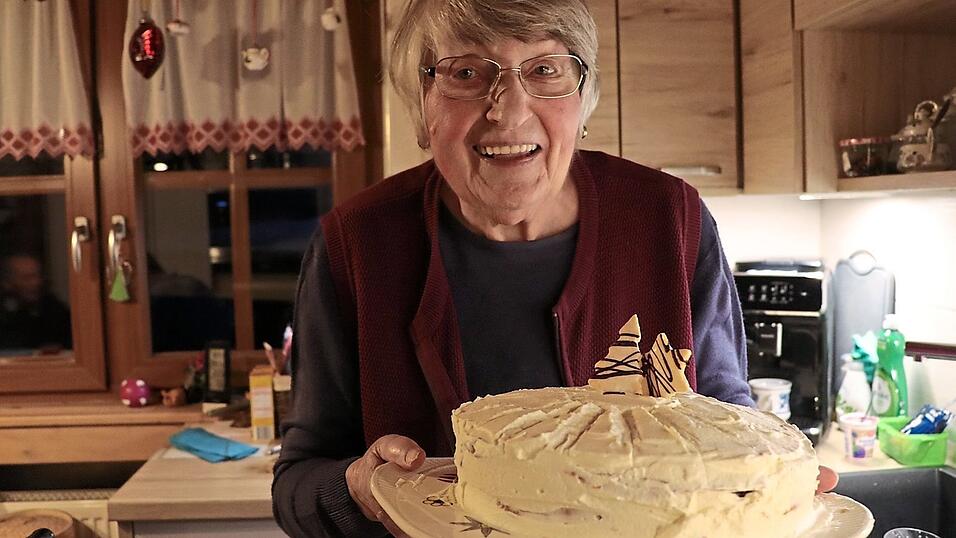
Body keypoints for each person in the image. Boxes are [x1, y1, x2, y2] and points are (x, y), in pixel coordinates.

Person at [272, 2, 837, 536]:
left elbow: (728, 425)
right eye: (466, 73)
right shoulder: (356, 244)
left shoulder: (671, 220)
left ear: (584, 98)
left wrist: (768, 488)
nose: (510, 110)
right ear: (422, 107)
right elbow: (297, 482)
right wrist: (358, 488)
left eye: (543, 69)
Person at [0, 253, 72, 352]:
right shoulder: (4, 313)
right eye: (27, 278)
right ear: (7, 283)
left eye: (38, 276)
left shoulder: (53, 309)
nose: (36, 283)